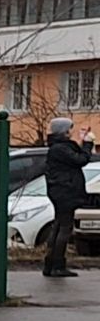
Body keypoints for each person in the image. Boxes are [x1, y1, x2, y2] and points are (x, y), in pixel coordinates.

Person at [43, 117, 94, 278]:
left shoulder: (58, 147)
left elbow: (73, 157)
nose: (71, 131)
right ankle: (57, 266)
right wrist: (87, 145)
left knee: (58, 226)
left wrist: (81, 141)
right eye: (69, 129)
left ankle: (50, 264)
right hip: (65, 192)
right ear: (64, 131)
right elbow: (80, 160)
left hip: (60, 191)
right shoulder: (60, 148)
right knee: (65, 228)